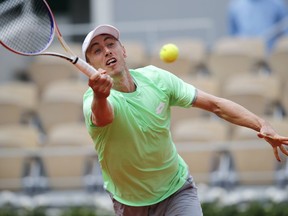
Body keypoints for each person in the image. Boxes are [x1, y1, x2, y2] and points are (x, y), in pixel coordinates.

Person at [82, 24, 288, 216]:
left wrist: (261, 124)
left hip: (176, 190)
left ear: (123, 50)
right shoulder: (93, 100)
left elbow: (215, 105)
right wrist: (100, 95)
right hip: (130, 203)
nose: (107, 51)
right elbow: (103, 117)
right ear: (91, 67)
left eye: (110, 44)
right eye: (97, 50)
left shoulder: (157, 78)